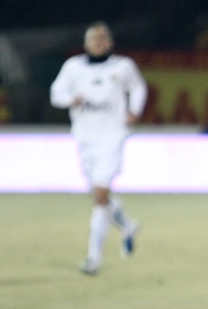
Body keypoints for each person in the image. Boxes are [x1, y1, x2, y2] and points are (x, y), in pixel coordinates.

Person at [50, 21, 147, 276]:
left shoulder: (122, 66)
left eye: (103, 39)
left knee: (100, 195)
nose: (98, 43)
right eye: (94, 39)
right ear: (86, 43)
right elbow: (56, 93)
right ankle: (128, 226)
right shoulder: (73, 67)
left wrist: (134, 111)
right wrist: (70, 99)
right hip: (85, 137)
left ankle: (93, 257)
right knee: (97, 194)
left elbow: (138, 87)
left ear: (110, 42)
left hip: (112, 136)